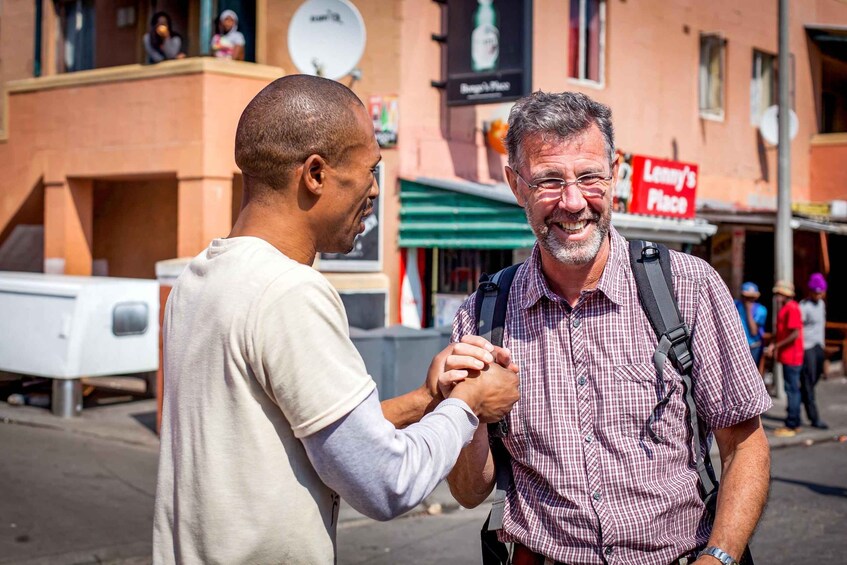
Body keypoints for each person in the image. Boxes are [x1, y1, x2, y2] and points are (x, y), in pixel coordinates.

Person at [152, 75, 521, 564]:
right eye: (369, 170)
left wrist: (428, 399)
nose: (373, 191)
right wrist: (469, 403)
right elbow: (386, 483)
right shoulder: (289, 292)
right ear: (316, 174)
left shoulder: (198, 280)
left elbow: (320, 437)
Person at [447, 91, 772, 565]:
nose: (573, 202)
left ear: (614, 174)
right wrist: (468, 414)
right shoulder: (482, 316)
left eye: (589, 177)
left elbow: (744, 445)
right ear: (517, 186)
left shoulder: (687, 287)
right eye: (549, 181)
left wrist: (717, 558)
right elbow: (470, 492)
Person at [766, 280, 804, 437]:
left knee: (792, 389)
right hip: (787, 355)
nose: (777, 296)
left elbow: (794, 333)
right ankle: (793, 420)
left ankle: (793, 423)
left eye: (779, 293)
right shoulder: (785, 308)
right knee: (791, 388)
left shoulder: (792, 308)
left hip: (793, 356)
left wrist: (777, 345)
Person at [799, 272, 829, 429]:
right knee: (809, 381)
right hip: (807, 347)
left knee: (815, 377)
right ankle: (814, 417)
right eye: (816, 292)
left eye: (821, 292)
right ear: (811, 291)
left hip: (819, 345)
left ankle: (804, 393)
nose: (819, 295)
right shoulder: (804, 307)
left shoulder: (822, 305)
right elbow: (798, 329)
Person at [735, 281, 768, 368]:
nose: (748, 301)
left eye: (751, 298)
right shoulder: (736, 305)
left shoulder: (761, 310)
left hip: (753, 346)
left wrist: (748, 311)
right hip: (738, 345)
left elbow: (754, 331)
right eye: (746, 298)